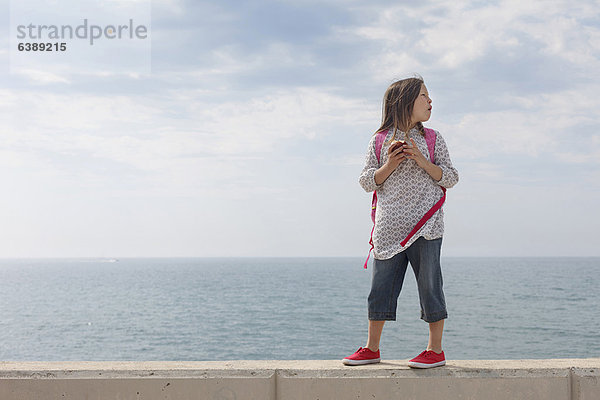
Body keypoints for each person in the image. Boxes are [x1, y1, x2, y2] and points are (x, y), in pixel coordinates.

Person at [342, 76, 459, 368]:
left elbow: (451, 177)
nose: (430, 101)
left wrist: (421, 159)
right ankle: (372, 348)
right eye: (423, 96)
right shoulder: (379, 140)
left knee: (431, 287)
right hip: (388, 230)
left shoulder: (433, 139)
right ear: (405, 101)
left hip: (426, 227)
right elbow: (367, 182)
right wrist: (390, 164)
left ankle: (435, 350)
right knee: (379, 289)